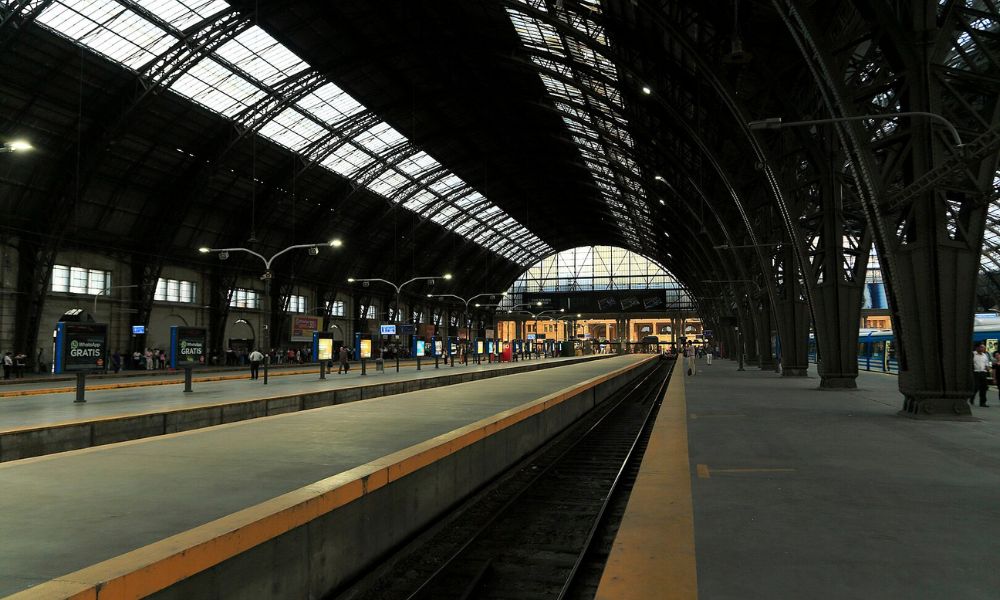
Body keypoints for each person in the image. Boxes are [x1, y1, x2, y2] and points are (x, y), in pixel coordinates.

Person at [971, 343, 990, 407]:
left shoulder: (985, 355)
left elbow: (987, 364)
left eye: (983, 348)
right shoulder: (973, 354)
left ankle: (982, 402)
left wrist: (987, 368)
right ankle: (972, 397)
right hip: (975, 373)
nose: (983, 349)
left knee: (984, 388)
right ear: (977, 348)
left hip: (983, 373)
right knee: (976, 387)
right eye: (981, 347)